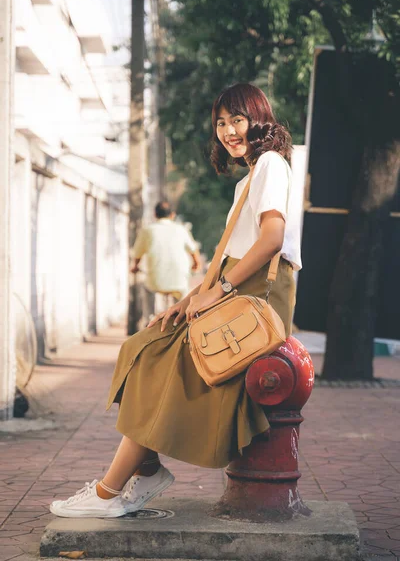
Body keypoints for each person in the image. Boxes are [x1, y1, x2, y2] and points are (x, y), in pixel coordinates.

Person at [49, 83, 302, 518]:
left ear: (258, 118)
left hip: (255, 302)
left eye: (236, 120)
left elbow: (271, 240)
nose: (227, 131)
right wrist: (188, 300)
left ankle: (109, 492)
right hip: (234, 291)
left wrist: (218, 292)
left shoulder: (271, 165)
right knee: (142, 345)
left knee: (163, 360)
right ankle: (145, 467)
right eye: (220, 123)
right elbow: (231, 254)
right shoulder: (252, 175)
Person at [130, 201, 201, 305]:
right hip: (179, 280)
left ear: (155, 214)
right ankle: (183, 318)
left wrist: (135, 266)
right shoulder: (181, 229)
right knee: (183, 300)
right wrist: (196, 264)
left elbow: (137, 254)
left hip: (155, 281)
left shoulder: (147, 230)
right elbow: (193, 250)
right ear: (172, 215)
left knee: (148, 290)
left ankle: (149, 318)